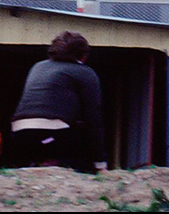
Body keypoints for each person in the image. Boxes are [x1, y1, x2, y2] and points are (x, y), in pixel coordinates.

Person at [11, 31, 105, 173]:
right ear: (84, 55)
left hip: (19, 134)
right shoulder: (85, 72)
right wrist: (100, 163)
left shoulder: (38, 67)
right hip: (53, 134)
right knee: (80, 161)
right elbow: (93, 119)